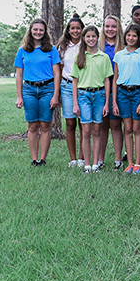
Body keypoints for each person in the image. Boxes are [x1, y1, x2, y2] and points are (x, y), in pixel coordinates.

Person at [14, 18, 61, 167]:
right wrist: (19, 96)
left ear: (45, 32)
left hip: (47, 89)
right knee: (32, 126)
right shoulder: (22, 50)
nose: (38, 32)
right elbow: (19, 75)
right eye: (35, 29)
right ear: (30, 31)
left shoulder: (51, 49)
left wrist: (55, 95)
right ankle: (34, 159)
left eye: (41, 30)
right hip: (29, 90)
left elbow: (57, 73)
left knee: (45, 125)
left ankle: (43, 159)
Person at [71, 25, 114, 174]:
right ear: (84, 38)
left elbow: (107, 80)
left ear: (98, 38)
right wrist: (75, 104)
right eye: (88, 36)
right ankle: (87, 165)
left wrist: (107, 103)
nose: (91, 39)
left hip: (99, 95)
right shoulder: (80, 57)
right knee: (86, 130)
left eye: (93, 36)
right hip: (83, 96)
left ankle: (96, 164)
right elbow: (75, 81)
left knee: (97, 130)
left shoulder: (104, 57)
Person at [112, 24, 140, 175]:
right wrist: (114, 102)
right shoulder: (119, 55)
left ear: (139, 37)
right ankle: (129, 163)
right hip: (122, 93)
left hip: (138, 92)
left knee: (137, 128)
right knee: (127, 129)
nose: (131, 38)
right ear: (125, 36)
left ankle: (138, 163)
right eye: (128, 35)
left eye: (134, 36)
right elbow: (115, 78)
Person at [57, 14, 85, 167]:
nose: (75, 31)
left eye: (78, 28)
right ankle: (73, 158)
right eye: (72, 28)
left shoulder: (86, 45)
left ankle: (82, 158)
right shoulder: (62, 47)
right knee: (69, 123)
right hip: (67, 87)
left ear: (82, 29)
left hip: (83, 86)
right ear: (68, 30)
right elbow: (60, 69)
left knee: (83, 123)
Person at [99, 15, 124, 169]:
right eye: (107, 26)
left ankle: (117, 159)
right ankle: (100, 159)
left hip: (118, 89)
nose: (110, 29)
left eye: (113, 26)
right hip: (100, 89)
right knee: (102, 125)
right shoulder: (98, 45)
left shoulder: (123, 46)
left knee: (115, 125)